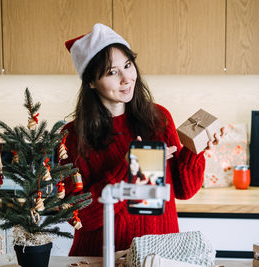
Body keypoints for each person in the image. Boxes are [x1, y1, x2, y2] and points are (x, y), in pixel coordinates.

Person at [62, 23, 224, 256]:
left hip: (158, 255)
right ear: (90, 82)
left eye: (128, 65)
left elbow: (184, 189)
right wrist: (127, 168)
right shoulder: (73, 138)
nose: (126, 78)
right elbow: (80, 218)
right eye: (111, 72)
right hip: (100, 258)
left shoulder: (158, 118)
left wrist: (194, 148)